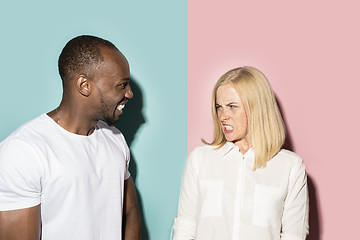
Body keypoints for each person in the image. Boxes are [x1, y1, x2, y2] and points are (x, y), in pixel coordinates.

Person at [0, 35, 141, 240]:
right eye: (122, 85)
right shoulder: (23, 151)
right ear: (84, 85)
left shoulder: (115, 139)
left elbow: (129, 215)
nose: (129, 94)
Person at [172, 66, 309, 240]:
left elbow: (294, 236)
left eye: (232, 106)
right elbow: (185, 228)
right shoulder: (200, 159)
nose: (222, 115)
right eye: (219, 107)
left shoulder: (290, 167)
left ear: (257, 107)